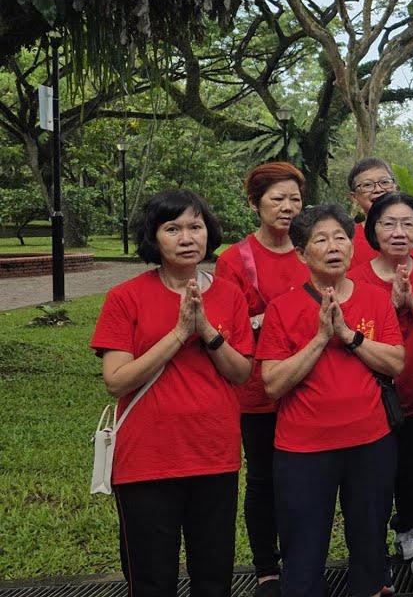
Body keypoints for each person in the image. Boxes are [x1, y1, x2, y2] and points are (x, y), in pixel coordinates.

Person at [92, 189, 253, 597]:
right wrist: (180, 333)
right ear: (154, 238)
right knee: (151, 580)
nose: (186, 237)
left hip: (214, 455)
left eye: (195, 226)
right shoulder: (125, 297)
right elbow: (116, 380)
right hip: (146, 460)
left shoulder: (230, 295)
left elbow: (241, 373)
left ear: (208, 233)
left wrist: (207, 331)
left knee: (213, 577)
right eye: (172, 228)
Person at [257, 204, 405, 597]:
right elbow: (272, 384)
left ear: (353, 248)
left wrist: (349, 335)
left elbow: (396, 362)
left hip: (371, 443)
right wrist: (322, 337)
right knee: (303, 550)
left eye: (340, 237)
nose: (333, 246)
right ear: (302, 253)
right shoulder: (282, 308)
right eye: (320, 240)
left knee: (371, 546)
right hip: (303, 449)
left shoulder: (375, 299)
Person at [213, 162, 310, 597]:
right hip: (259, 388)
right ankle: (267, 567)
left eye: (294, 198)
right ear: (254, 203)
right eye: (277, 199)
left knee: (306, 478)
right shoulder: (235, 259)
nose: (288, 208)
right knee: (264, 479)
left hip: (312, 385)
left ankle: (303, 559)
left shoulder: (313, 245)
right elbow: (228, 325)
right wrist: (283, 317)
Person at [348, 192, 413, 588]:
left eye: (408, 224)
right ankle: (373, 562)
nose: (399, 232)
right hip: (371, 404)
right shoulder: (355, 279)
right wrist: (387, 304)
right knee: (372, 487)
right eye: (388, 223)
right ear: (372, 230)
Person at [347, 157, 413, 268]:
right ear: (354, 197)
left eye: (385, 182)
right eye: (367, 185)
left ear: (395, 187)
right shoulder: (347, 240)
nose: (378, 189)